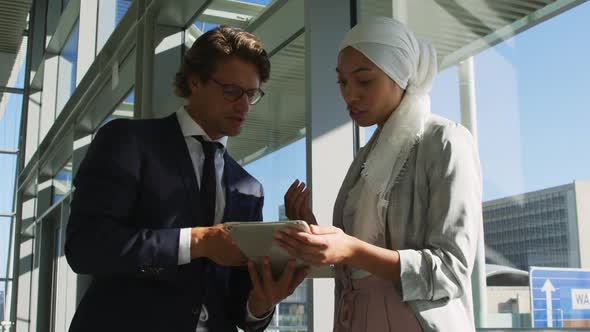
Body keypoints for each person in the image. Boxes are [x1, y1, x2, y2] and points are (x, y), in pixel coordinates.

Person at [65, 26, 307, 332]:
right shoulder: (128, 142)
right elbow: (85, 247)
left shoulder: (249, 188)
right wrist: (197, 242)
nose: (244, 105)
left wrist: (262, 302)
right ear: (195, 81)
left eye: (252, 93)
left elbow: (238, 305)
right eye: (232, 91)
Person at [278, 17, 482, 331]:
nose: (349, 95)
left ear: (400, 75)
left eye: (364, 80)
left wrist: (351, 248)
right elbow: (356, 263)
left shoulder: (445, 141)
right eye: (342, 82)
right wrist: (317, 236)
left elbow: (451, 271)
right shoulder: (367, 157)